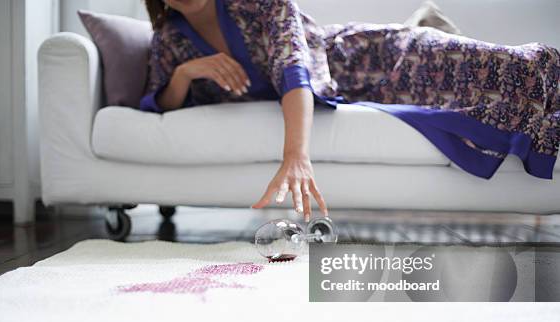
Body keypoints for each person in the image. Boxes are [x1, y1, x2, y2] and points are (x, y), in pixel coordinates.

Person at [141, 0, 560, 221]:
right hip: (356, 92)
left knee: (518, 68)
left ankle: (423, 30)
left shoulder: (259, 3)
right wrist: (185, 73)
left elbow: (294, 69)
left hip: (364, 56)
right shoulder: (168, 41)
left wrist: (296, 156)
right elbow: (159, 103)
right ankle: (425, 23)